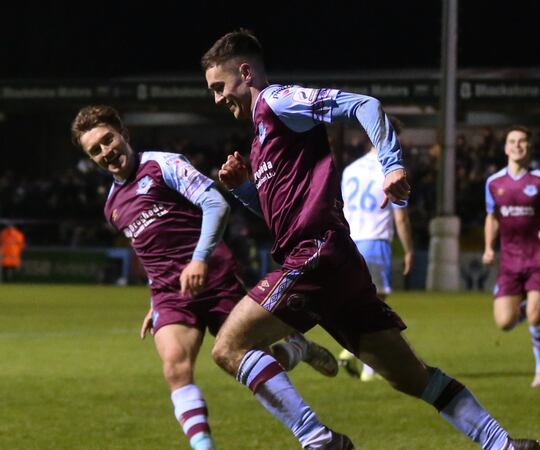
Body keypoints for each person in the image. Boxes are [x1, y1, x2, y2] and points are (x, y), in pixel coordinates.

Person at [203, 29, 540, 450]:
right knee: (412, 377)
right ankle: (503, 445)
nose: (217, 99)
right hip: (337, 266)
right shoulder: (259, 142)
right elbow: (279, 217)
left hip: (316, 257)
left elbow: (364, 105)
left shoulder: (279, 101)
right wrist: (243, 190)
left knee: (229, 347)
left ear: (245, 71)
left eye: (219, 87)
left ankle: (319, 440)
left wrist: (392, 164)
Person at [70, 105, 339, 450]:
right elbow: (150, 255)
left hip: (214, 278)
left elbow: (215, 203)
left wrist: (199, 260)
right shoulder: (112, 205)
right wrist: (155, 301)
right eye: (96, 150)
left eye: (108, 140)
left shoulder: (163, 165)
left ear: (123, 133)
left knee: (246, 359)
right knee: (175, 369)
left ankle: (297, 353)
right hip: (170, 294)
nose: (107, 152)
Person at [482, 126, 540, 389]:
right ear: (505, 148)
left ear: (529, 147)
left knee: (533, 319)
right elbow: (492, 217)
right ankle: (534, 309)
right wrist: (488, 247)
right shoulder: (494, 183)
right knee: (505, 323)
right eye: (512, 141)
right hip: (509, 261)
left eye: (522, 141)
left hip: (538, 259)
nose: (517, 145)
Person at [337, 116, 414, 382]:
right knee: (376, 305)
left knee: (362, 303)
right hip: (375, 240)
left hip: (350, 241)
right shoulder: (391, 170)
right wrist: (409, 250)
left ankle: (362, 358)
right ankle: (361, 360)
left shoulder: (350, 170)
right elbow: (400, 217)